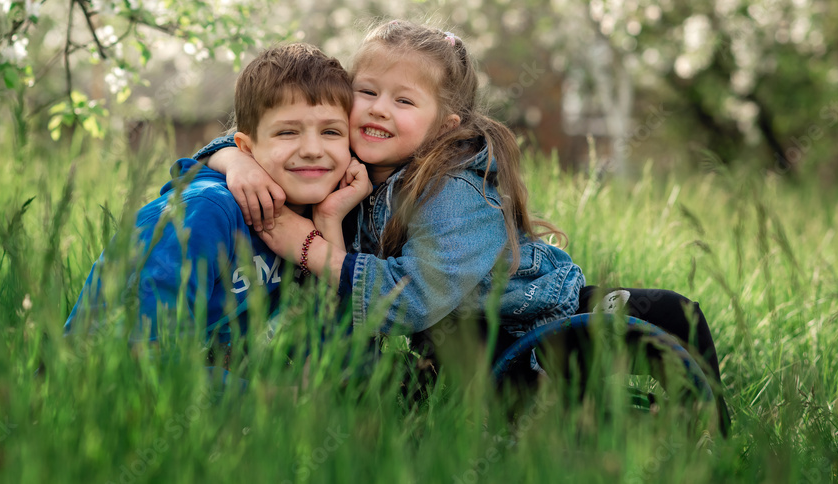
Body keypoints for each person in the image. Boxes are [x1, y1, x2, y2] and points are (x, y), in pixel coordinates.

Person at [198, 21, 728, 404]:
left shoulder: (451, 189)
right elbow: (274, 126)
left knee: (669, 316)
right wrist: (233, 159)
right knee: (499, 406)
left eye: (404, 102)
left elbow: (411, 300)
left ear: (445, 124)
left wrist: (309, 246)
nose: (380, 108)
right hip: (464, 338)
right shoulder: (340, 155)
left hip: (535, 313)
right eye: (367, 92)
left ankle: (711, 439)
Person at [63, 43, 370, 348]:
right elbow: (144, 352)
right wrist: (266, 396)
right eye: (288, 132)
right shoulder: (206, 211)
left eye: (331, 132)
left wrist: (330, 224)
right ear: (246, 147)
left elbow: (333, 362)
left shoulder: (319, 212)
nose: (313, 150)